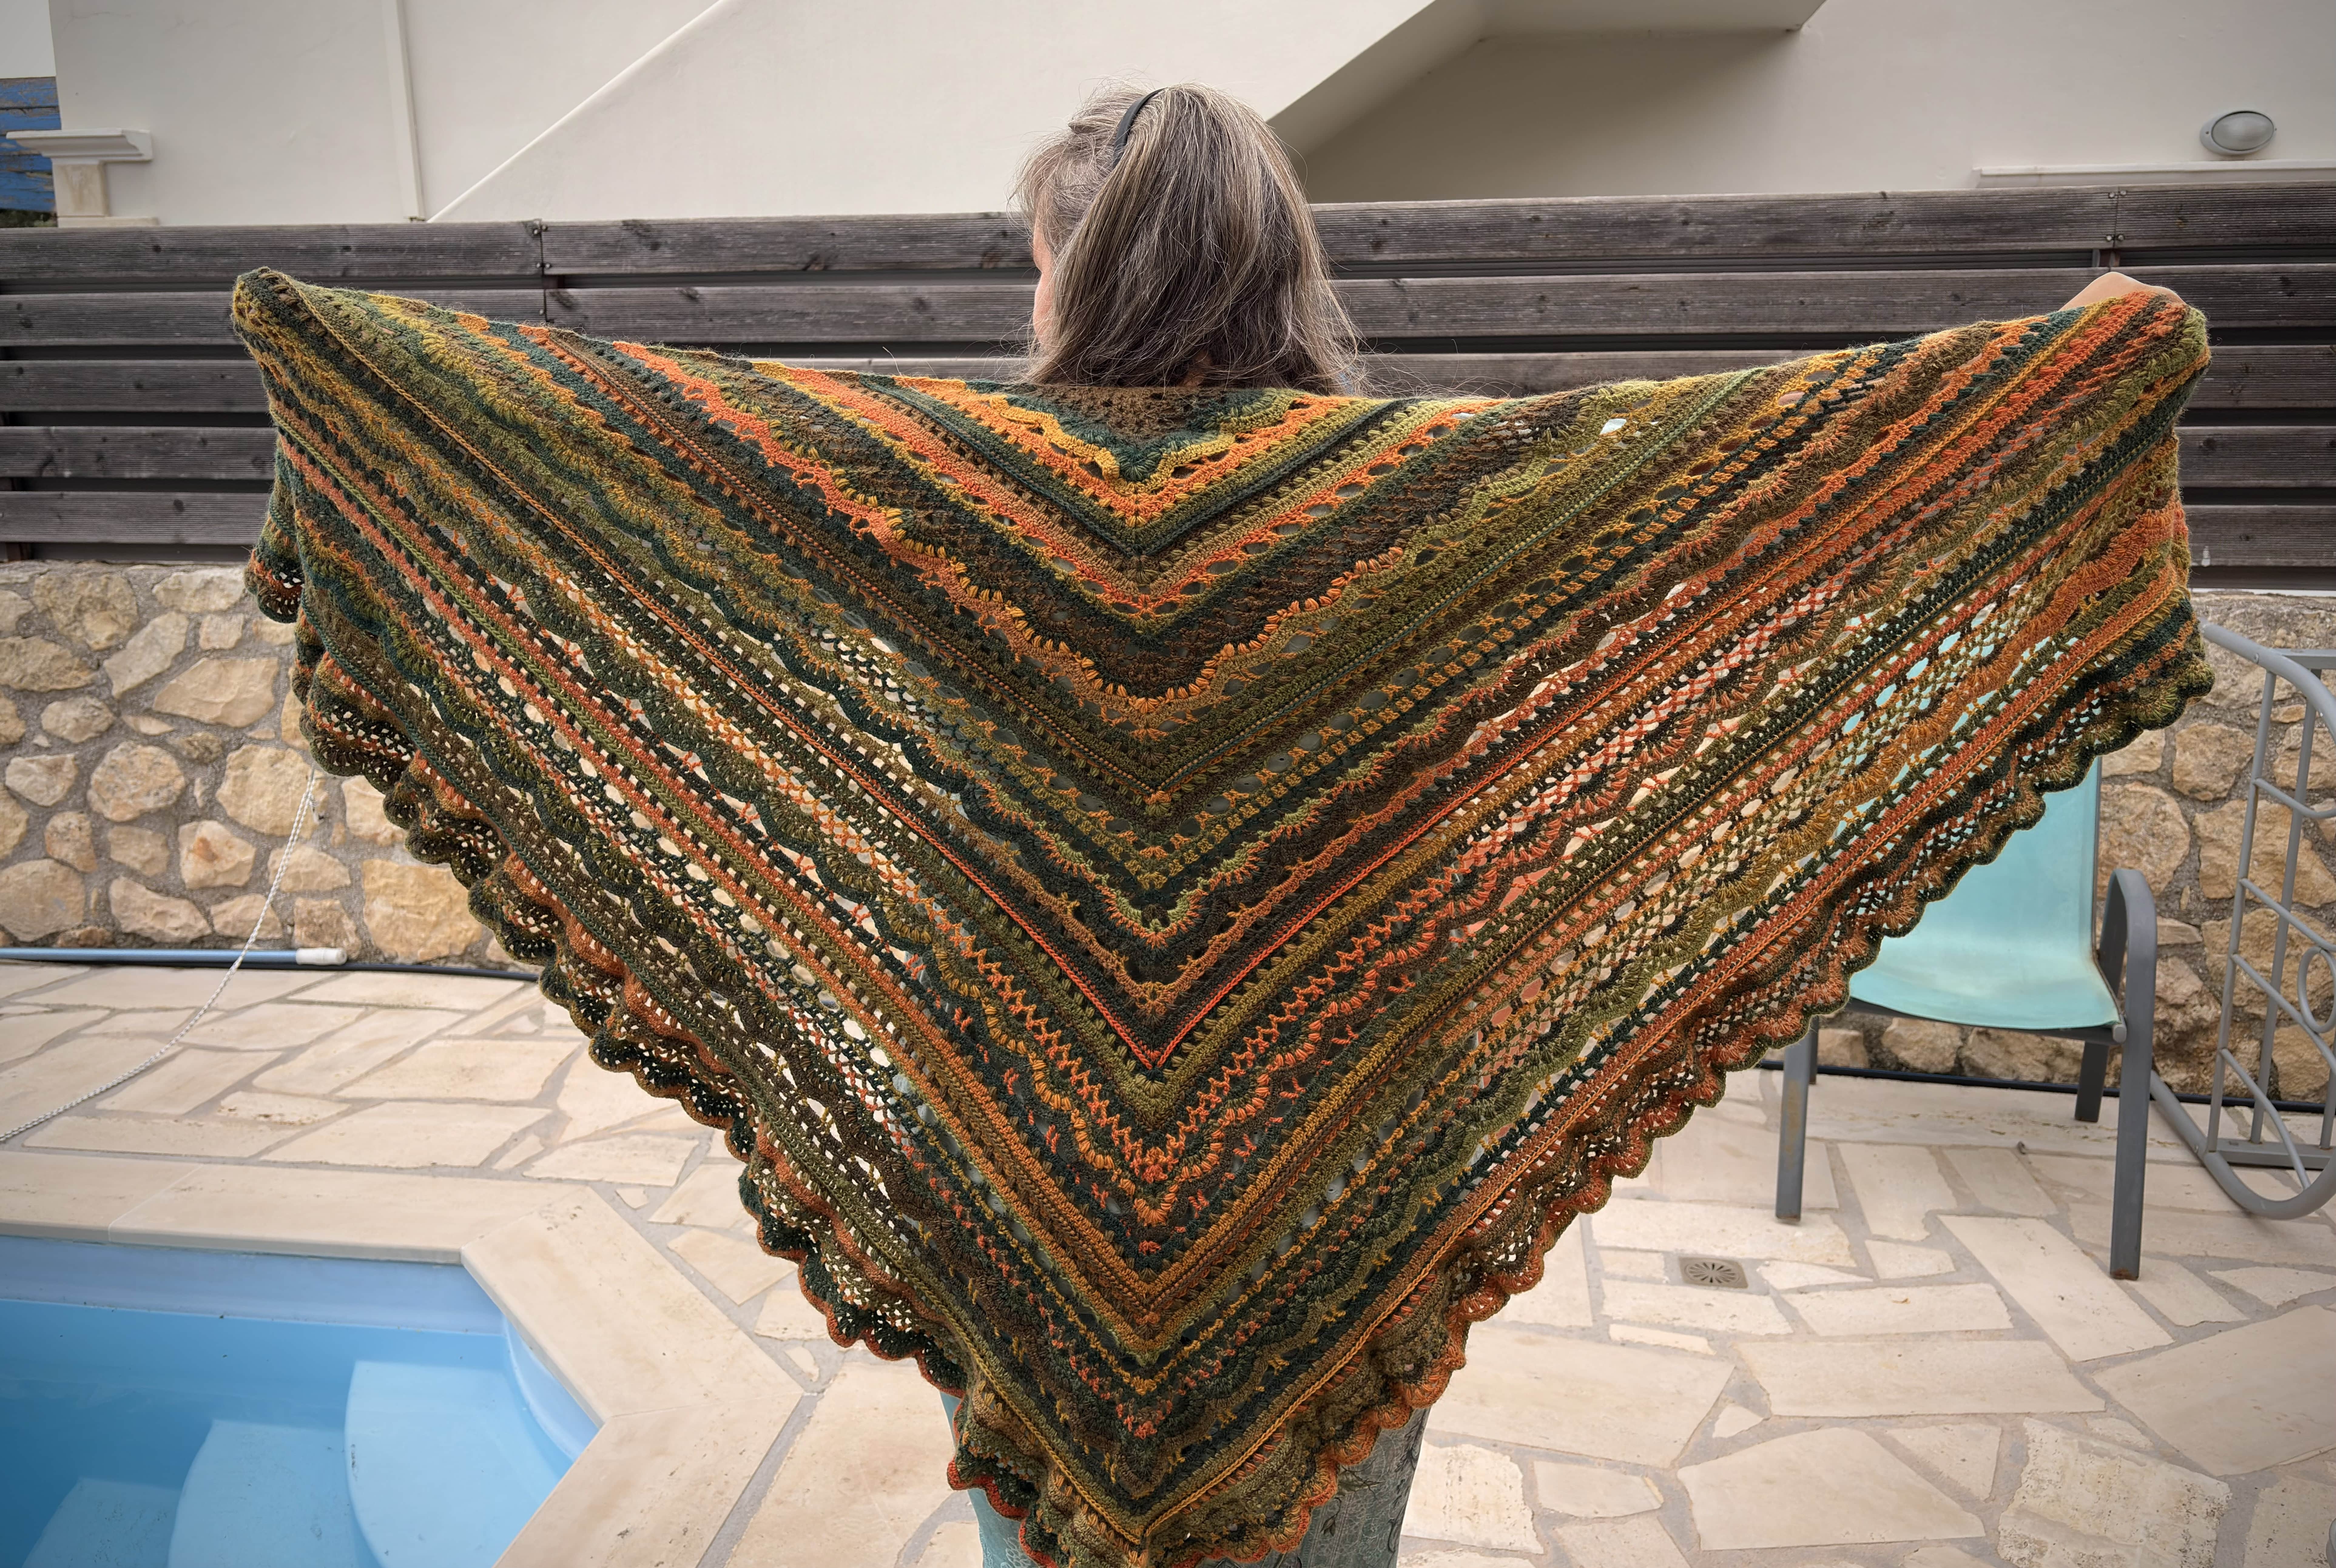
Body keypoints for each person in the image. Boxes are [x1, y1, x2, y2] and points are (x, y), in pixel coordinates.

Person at [230, 80, 2207, 1568]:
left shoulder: (928, 497)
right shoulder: (1449, 506)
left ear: (1077, 267)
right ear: (1278, 268)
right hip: (1350, 1167)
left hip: (1037, 1171)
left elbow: (617, 443)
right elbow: (1790, 464)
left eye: (1038, 253)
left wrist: (346, 375)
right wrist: (2095, 359)